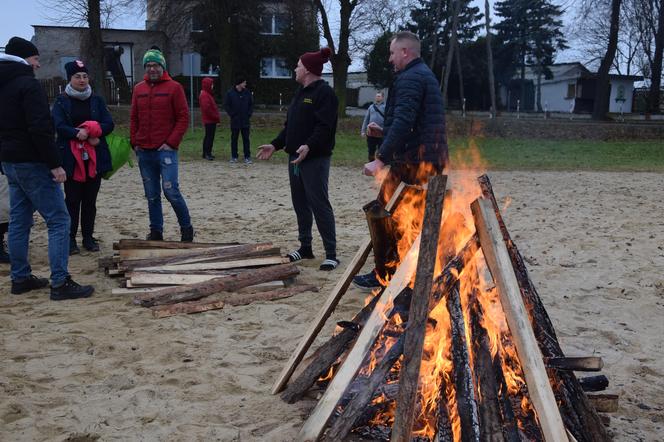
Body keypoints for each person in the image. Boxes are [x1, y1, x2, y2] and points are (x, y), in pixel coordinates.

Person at [353, 31, 449, 290]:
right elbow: (413, 123)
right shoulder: (421, 75)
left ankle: (385, 274)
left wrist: (380, 159)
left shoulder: (410, 78)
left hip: (414, 162)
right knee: (408, 216)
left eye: (393, 53)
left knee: (384, 213)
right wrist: (383, 130)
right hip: (425, 159)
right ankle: (403, 270)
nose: (389, 59)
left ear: (405, 52)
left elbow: (406, 122)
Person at [0, 36, 94, 300]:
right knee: (59, 219)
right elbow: (40, 128)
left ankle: (20, 278)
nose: (38, 64)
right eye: (35, 59)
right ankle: (60, 282)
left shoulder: (3, 84)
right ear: (24, 58)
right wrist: (54, 165)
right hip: (32, 161)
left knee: (19, 220)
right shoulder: (28, 85)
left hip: (10, 161)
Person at [257, 47, 340, 271]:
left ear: (308, 70)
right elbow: (290, 128)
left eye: (298, 66)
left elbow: (325, 127)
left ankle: (331, 253)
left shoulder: (324, 94)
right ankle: (306, 247)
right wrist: (275, 145)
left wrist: (308, 146)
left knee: (319, 203)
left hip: (314, 159)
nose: (295, 68)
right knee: (300, 205)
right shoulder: (300, 93)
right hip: (295, 159)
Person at [130, 47, 194, 242]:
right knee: (151, 195)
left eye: (155, 65)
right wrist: (135, 142)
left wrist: (171, 142)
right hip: (145, 151)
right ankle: (156, 231)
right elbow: (134, 118)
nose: (152, 69)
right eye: (148, 65)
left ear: (162, 66)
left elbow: (183, 117)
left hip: (165, 150)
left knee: (171, 191)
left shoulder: (174, 88)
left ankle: (186, 228)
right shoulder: (138, 89)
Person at [52, 60, 114, 255]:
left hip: (93, 156)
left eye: (85, 76)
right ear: (70, 78)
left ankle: (88, 236)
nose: (82, 80)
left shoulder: (97, 100)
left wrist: (94, 132)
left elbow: (108, 123)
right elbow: (58, 125)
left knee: (90, 200)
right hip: (71, 158)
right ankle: (70, 239)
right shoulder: (62, 101)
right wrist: (75, 133)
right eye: (77, 76)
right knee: (72, 200)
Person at [224, 77, 253, 164]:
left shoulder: (247, 93)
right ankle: (234, 156)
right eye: (244, 82)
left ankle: (247, 157)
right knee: (234, 139)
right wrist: (232, 115)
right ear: (239, 83)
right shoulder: (230, 93)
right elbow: (226, 105)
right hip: (235, 121)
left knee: (246, 139)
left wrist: (248, 114)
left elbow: (251, 104)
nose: (245, 84)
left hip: (245, 120)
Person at [360, 91, 386, 161]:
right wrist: (363, 131)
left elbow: (388, 120)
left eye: (379, 96)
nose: (377, 97)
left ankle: (379, 165)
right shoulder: (371, 107)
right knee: (371, 150)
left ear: (382, 97)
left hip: (381, 133)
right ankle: (371, 164)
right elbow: (366, 119)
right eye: (376, 96)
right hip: (371, 134)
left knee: (381, 151)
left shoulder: (386, 107)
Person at [199, 77, 220, 161]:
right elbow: (206, 109)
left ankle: (206, 153)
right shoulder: (205, 95)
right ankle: (207, 153)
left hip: (210, 119)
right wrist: (215, 116)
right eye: (211, 84)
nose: (212, 86)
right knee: (209, 137)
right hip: (209, 120)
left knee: (209, 136)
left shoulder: (206, 94)